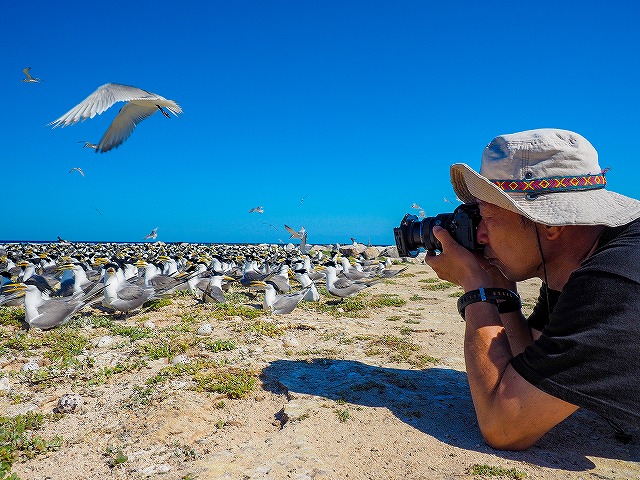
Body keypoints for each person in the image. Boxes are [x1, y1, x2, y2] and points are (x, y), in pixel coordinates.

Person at [424, 128, 640, 450]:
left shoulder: (614, 281)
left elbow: (505, 425)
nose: (480, 237)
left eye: (487, 218)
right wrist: (501, 292)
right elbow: (531, 360)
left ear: (551, 224)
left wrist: (474, 287)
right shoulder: (573, 261)